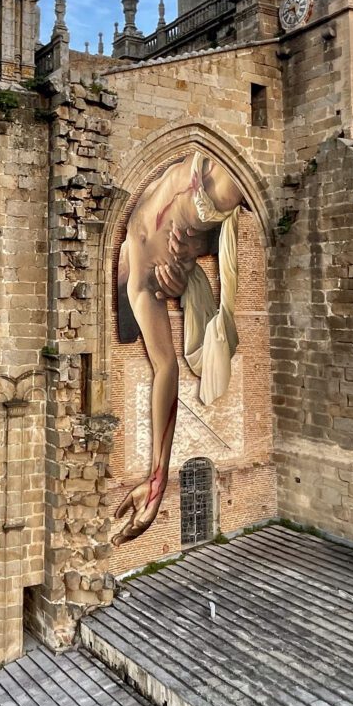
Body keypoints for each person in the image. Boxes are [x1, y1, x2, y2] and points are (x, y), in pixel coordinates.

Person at [113, 152, 245, 546]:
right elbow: (165, 369)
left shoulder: (138, 271)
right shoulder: (141, 287)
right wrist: (157, 480)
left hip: (197, 187)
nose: (164, 293)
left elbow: (166, 367)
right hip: (199, 204)